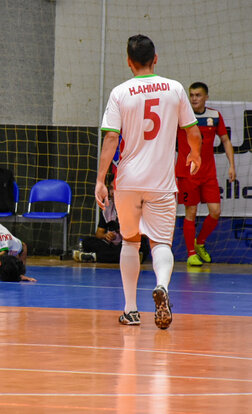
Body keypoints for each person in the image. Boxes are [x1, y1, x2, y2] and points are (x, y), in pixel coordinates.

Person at [96, 34, 202, 329]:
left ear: (128, 62)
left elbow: (111, 137)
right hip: (161, 183)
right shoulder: (175, 88)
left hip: (127, 182)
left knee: (129, 242)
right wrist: (195, 154)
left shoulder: (120, 92)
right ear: (156, 58)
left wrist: (101, 180)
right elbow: (192, 131)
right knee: (160, 244)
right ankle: (163, 287)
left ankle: (130, 310)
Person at [176, 82, 237, 266]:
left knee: (215, 211)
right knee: (191, 212)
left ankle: (200, 242)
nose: (194, 98)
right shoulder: (181, 116)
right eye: (192, 95)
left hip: (208, 174)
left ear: (206, 97)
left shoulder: (214, 116)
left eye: (198, 95)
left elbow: (225, 140)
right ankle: (191, 254)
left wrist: (232, 165)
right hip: (187, 174)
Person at [75, 181, 150, 264]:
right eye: (111, 188)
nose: (112, 192)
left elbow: (145, 234)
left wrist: (123, 230)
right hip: (112, 245)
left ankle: (94, 257)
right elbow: (98, 233)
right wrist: (105, 236)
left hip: (129, 243)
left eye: (115, 189)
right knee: (87, 242)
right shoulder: (107, 207)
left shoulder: (135, 206)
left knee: (137, 247)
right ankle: (125, 257)